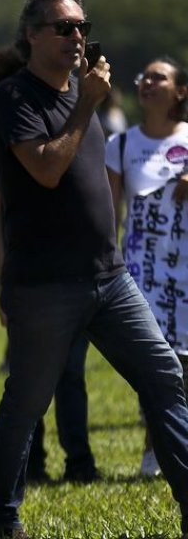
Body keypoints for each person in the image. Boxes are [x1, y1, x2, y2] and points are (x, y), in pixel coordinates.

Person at [0, 0, 188, 539]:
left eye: (82, 27)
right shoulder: (16, 98)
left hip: (109, 278)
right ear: (32, 36)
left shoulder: (79, 92)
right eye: (64, 27)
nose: (78, 37)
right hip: (46, 285)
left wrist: (85, 100)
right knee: (27, 402)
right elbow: (46, 169)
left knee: (164, 376)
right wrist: (88, 104)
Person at [0, 46, 96, 482]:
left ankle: (77, 463)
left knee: (66, 376)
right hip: (32, 277)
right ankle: (38, 465)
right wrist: (5, 279)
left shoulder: (70, 117)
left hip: (77, 271)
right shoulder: (3, 133)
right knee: (34, 382)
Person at [106, 56, 188, 479]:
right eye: (144, 76)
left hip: (186, 269)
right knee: (157, 364)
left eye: (160, 77)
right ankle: (154, 447)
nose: (148, 82)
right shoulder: (121, 146)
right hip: (143, 272)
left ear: (180, 92)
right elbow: (111, 213)